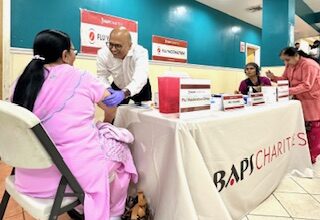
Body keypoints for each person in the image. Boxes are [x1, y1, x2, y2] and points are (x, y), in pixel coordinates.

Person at [11, 29, 138, 220]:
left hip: (26, 175)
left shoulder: (21, 81)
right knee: (121, 152)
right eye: (73, 51)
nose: (74, 55)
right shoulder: (81, 77)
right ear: (64, 55)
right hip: (64, 179)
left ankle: (79, 208)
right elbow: (110, 109)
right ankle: (112, 214)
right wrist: (103, 126)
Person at [266, 47, 320, 163]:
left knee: (313, 129)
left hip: (312, 100)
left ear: (296, 56)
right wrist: (274, 78)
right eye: (284, 61)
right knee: (302, 127)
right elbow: (285, 79)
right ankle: (303, 152)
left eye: (287, 59)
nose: (286, 63)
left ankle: (312, 156)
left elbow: (307, 86)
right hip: (298, 99)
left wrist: (286, 91)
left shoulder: (309, 65)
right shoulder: (290, 65)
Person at [97, 27, 151, 122]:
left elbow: (140, 78)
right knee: (114, 116)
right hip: (118, 85)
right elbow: (101, 75)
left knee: (145, 118)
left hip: (141, 88)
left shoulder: (140, 52)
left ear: (130, 45)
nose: (113, 49)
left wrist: (124, 93)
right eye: (111, 44)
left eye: (118, 46)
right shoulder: (103, 53)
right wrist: (108, 89)